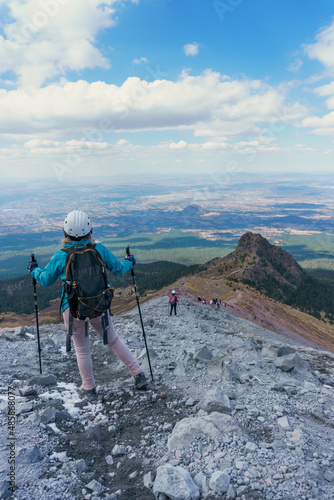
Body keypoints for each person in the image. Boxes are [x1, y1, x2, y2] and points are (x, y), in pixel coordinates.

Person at [27, 210, 149, 400]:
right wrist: (129, 262)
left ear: (65, 232)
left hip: (73, 307)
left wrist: (34, 270)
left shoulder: (61, 256)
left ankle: (89, 387)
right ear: (90, 230)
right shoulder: (99, 250)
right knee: (113, 340)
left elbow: (45, 279)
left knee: (82, 349)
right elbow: (118, 270)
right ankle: (138, 374)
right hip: (100, 305)